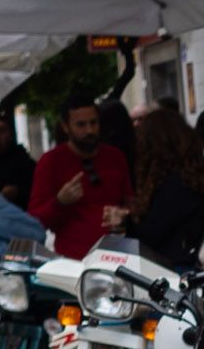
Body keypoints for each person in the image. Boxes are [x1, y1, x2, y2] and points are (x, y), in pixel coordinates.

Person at [116, 101, 204, 273]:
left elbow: (151, 233)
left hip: (172, 272)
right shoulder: (190, 178)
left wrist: (125, 220)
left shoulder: (174, 185)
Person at [30, 96, 136, 251]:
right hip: (73, 259)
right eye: (81, 125)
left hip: (115, 252)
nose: (90, 130)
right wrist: (59, 202)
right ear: (66, 127)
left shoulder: (115, 157)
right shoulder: (51, 161)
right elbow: (35, 221)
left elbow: (131, 202)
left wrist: (124, 214)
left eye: (94, 123)